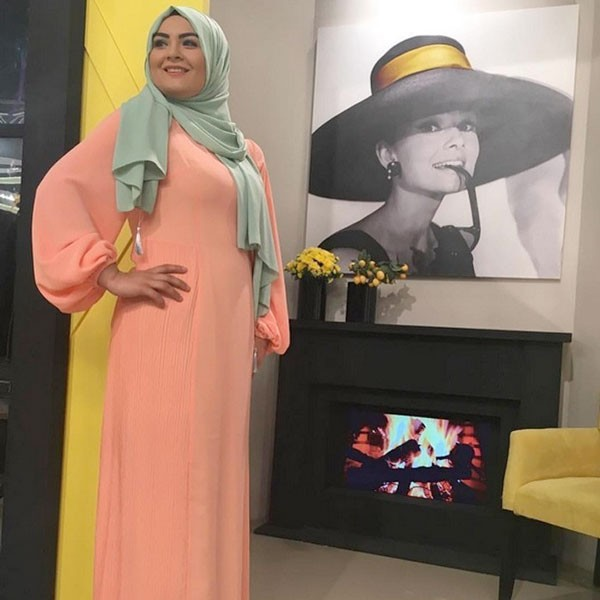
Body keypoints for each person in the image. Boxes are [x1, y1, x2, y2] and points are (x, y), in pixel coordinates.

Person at [31, 7, 289, 600]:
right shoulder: (140, 123)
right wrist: (108, 274)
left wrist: (260, 320)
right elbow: (59, 193)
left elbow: (264, 249)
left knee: (211, 481)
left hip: (224, 343)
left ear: (214, 57)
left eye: (189, 42)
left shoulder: (245, 153)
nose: (171, 53)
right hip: (161, 330)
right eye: (161, 42)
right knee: (160, 482)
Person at [310, 35, 573, 277]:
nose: (458, 140)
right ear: (388, 153)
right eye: (430, 126)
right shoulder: (346, 260)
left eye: (467, 125)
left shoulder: (452, 247)